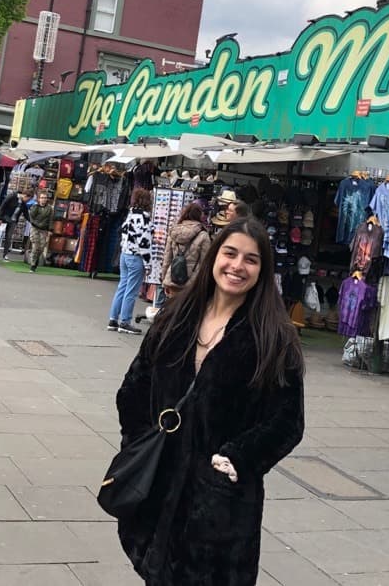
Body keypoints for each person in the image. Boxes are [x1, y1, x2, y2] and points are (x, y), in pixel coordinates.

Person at [114, 215, 305, 584]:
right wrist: (139, 441)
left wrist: (236, 459)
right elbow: (134, 387)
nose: (237, 266)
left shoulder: (273, 336)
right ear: (215, 255)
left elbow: (288, 420)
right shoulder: (176, 315)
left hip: (220, 505)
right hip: (159, 483)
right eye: (230, 253)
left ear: (262, 270)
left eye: (251, 259)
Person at [107, 188, 153, 334]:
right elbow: (144, 243)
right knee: (131, 291)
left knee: (122, 287)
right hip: (136, 256)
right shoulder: (145, 218)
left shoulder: (131, 214)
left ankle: (113, 319)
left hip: (125, 254)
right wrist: (148, 263)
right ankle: (125, 321)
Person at [161, 202, 211, 298]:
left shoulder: (174, 232)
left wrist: (164, 278)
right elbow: (205, 263)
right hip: (192, 283)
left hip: (173, 279)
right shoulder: (203, 235)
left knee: (172, 309)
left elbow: (167, 258)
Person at [0, 188, 32, 262]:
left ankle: (5, 255)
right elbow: (3, 206)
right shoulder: (12, 196)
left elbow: (26, 214)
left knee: (8, 237)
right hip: (4, 218)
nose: (28, 201)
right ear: (25, 195)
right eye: (28, 199)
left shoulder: (23, 203)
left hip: (13, 221)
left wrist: (32, 222)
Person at [27, 190, 54, 272]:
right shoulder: (35, 207)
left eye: (45, 198)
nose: (43, 199)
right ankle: (33, 265)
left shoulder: (50, 208)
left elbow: (51, 219)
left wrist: (50, 229)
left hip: (44, 230)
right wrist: (35, 224)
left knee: (41, 248)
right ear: (39, 199)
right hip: (35, 228)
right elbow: (31, 217)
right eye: (42, 198)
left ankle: (36, 259)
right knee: (35, 246)